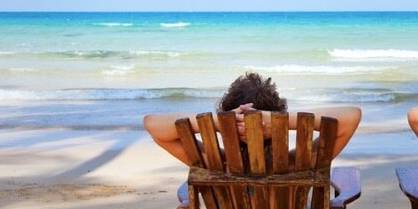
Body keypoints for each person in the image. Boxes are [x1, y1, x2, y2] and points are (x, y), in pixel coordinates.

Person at [143, 71, 362, 167]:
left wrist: (220, 124)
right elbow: (351, 116)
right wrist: (281, 122)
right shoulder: (300, 164)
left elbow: (152, 124)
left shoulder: (214, 164)